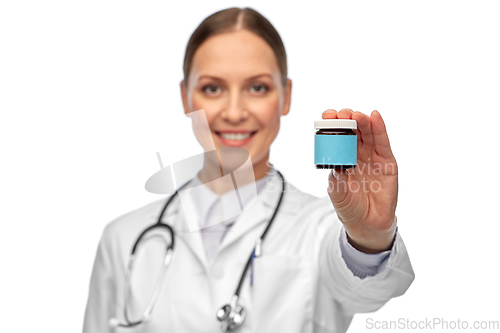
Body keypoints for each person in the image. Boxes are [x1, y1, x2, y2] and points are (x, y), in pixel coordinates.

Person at [83, 7, 415, 333]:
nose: (234, 111)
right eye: (213, 88)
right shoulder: (123, 238)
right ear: (185, 97)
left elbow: (370, 289)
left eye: (257, 88)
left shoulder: (323, 231)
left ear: (286, 97)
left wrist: (369, 238)